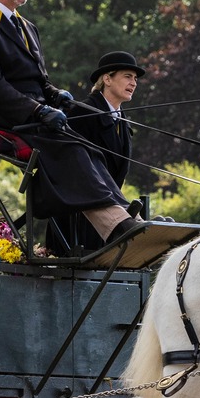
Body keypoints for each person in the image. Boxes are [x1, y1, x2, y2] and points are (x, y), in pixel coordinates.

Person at [0, 0, 144, 247]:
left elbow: (40, 81)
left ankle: (122, 216)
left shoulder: (27, 26)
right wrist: (38, 110)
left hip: (30, 111)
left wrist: (57, 97)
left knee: (88, 143)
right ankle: (114, 225)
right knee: (70, 149)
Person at [49, 51, 144, 255]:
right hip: (78, 223)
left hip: (110, 219)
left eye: (135, 79)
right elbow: (71, 170)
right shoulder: (83, 113)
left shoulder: (123, 122)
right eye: (127, 76)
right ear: (107, 79)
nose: (134, 83)